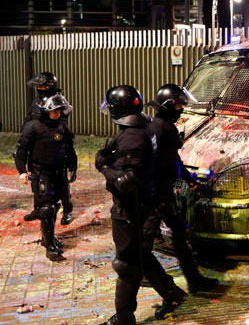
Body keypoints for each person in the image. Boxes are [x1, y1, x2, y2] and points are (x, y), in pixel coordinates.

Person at [95, 85, 187, 325]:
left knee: (127, 264)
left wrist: (104, 167)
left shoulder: (133, 136)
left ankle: (124, 319)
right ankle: (173, 294)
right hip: (141, 204)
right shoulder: (140, 130)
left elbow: (126, 181)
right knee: (141, 256)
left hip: (130, 208)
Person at [144, 84, 218, 293]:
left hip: (159, 189)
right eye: (178, 105)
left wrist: (188, 180)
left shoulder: (158, 125)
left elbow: (173, 160)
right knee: (170, 233)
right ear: (168, 106)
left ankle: (147, 273)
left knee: (159, 233)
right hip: (158, 191)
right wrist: (163, 190)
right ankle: (192, 281)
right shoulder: (162, 128)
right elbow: (160, 164)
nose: (181, 109)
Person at [14, 95, 77, 261]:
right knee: (46, 207)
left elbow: (69, 148)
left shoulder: (63, 127)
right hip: (41, 172)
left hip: (59, 172)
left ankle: (47, 238)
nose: (58, 113)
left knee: (55, 206)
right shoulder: (34, 127)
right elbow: (21, 150)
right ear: (47, 110)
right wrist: (22, 170)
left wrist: (73, 166)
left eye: (60, 111)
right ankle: (49, 246)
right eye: (55, 111)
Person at [23, 72, 74, 226]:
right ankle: (38, 207)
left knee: (61, 179)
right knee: (37, 176)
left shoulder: (58, 100)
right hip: (37, 140)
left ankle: (67, 210)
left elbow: (62, 122)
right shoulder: (37, 101)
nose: (40, 88)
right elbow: (30, 118)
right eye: (38, 86)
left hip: (55, 141)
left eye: (43, 85)